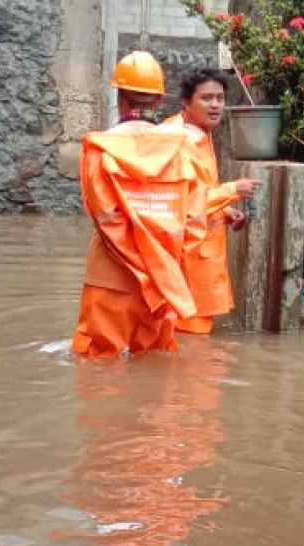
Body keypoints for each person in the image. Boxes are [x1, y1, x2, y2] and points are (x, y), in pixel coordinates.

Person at [73, 52, 202, 358]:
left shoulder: (100, 149)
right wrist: (161, 268)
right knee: (155, 364)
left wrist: (136, 264)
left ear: (119, 97)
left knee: (98, 365)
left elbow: (103, 215)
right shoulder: (182, 151)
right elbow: (194, 222)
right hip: (163, 281)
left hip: (111, 275)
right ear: (158, 102)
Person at [162, 69, 260, 335]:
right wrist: (232, 190)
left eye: (220, 97)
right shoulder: (179, 142)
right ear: (186, 101)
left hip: (196, 257)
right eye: (206, 98)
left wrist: (225, 211)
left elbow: (197, 190)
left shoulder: (194, 135)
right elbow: (180, 203)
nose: (215, 104)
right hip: (188, 260)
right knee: (191, 341)